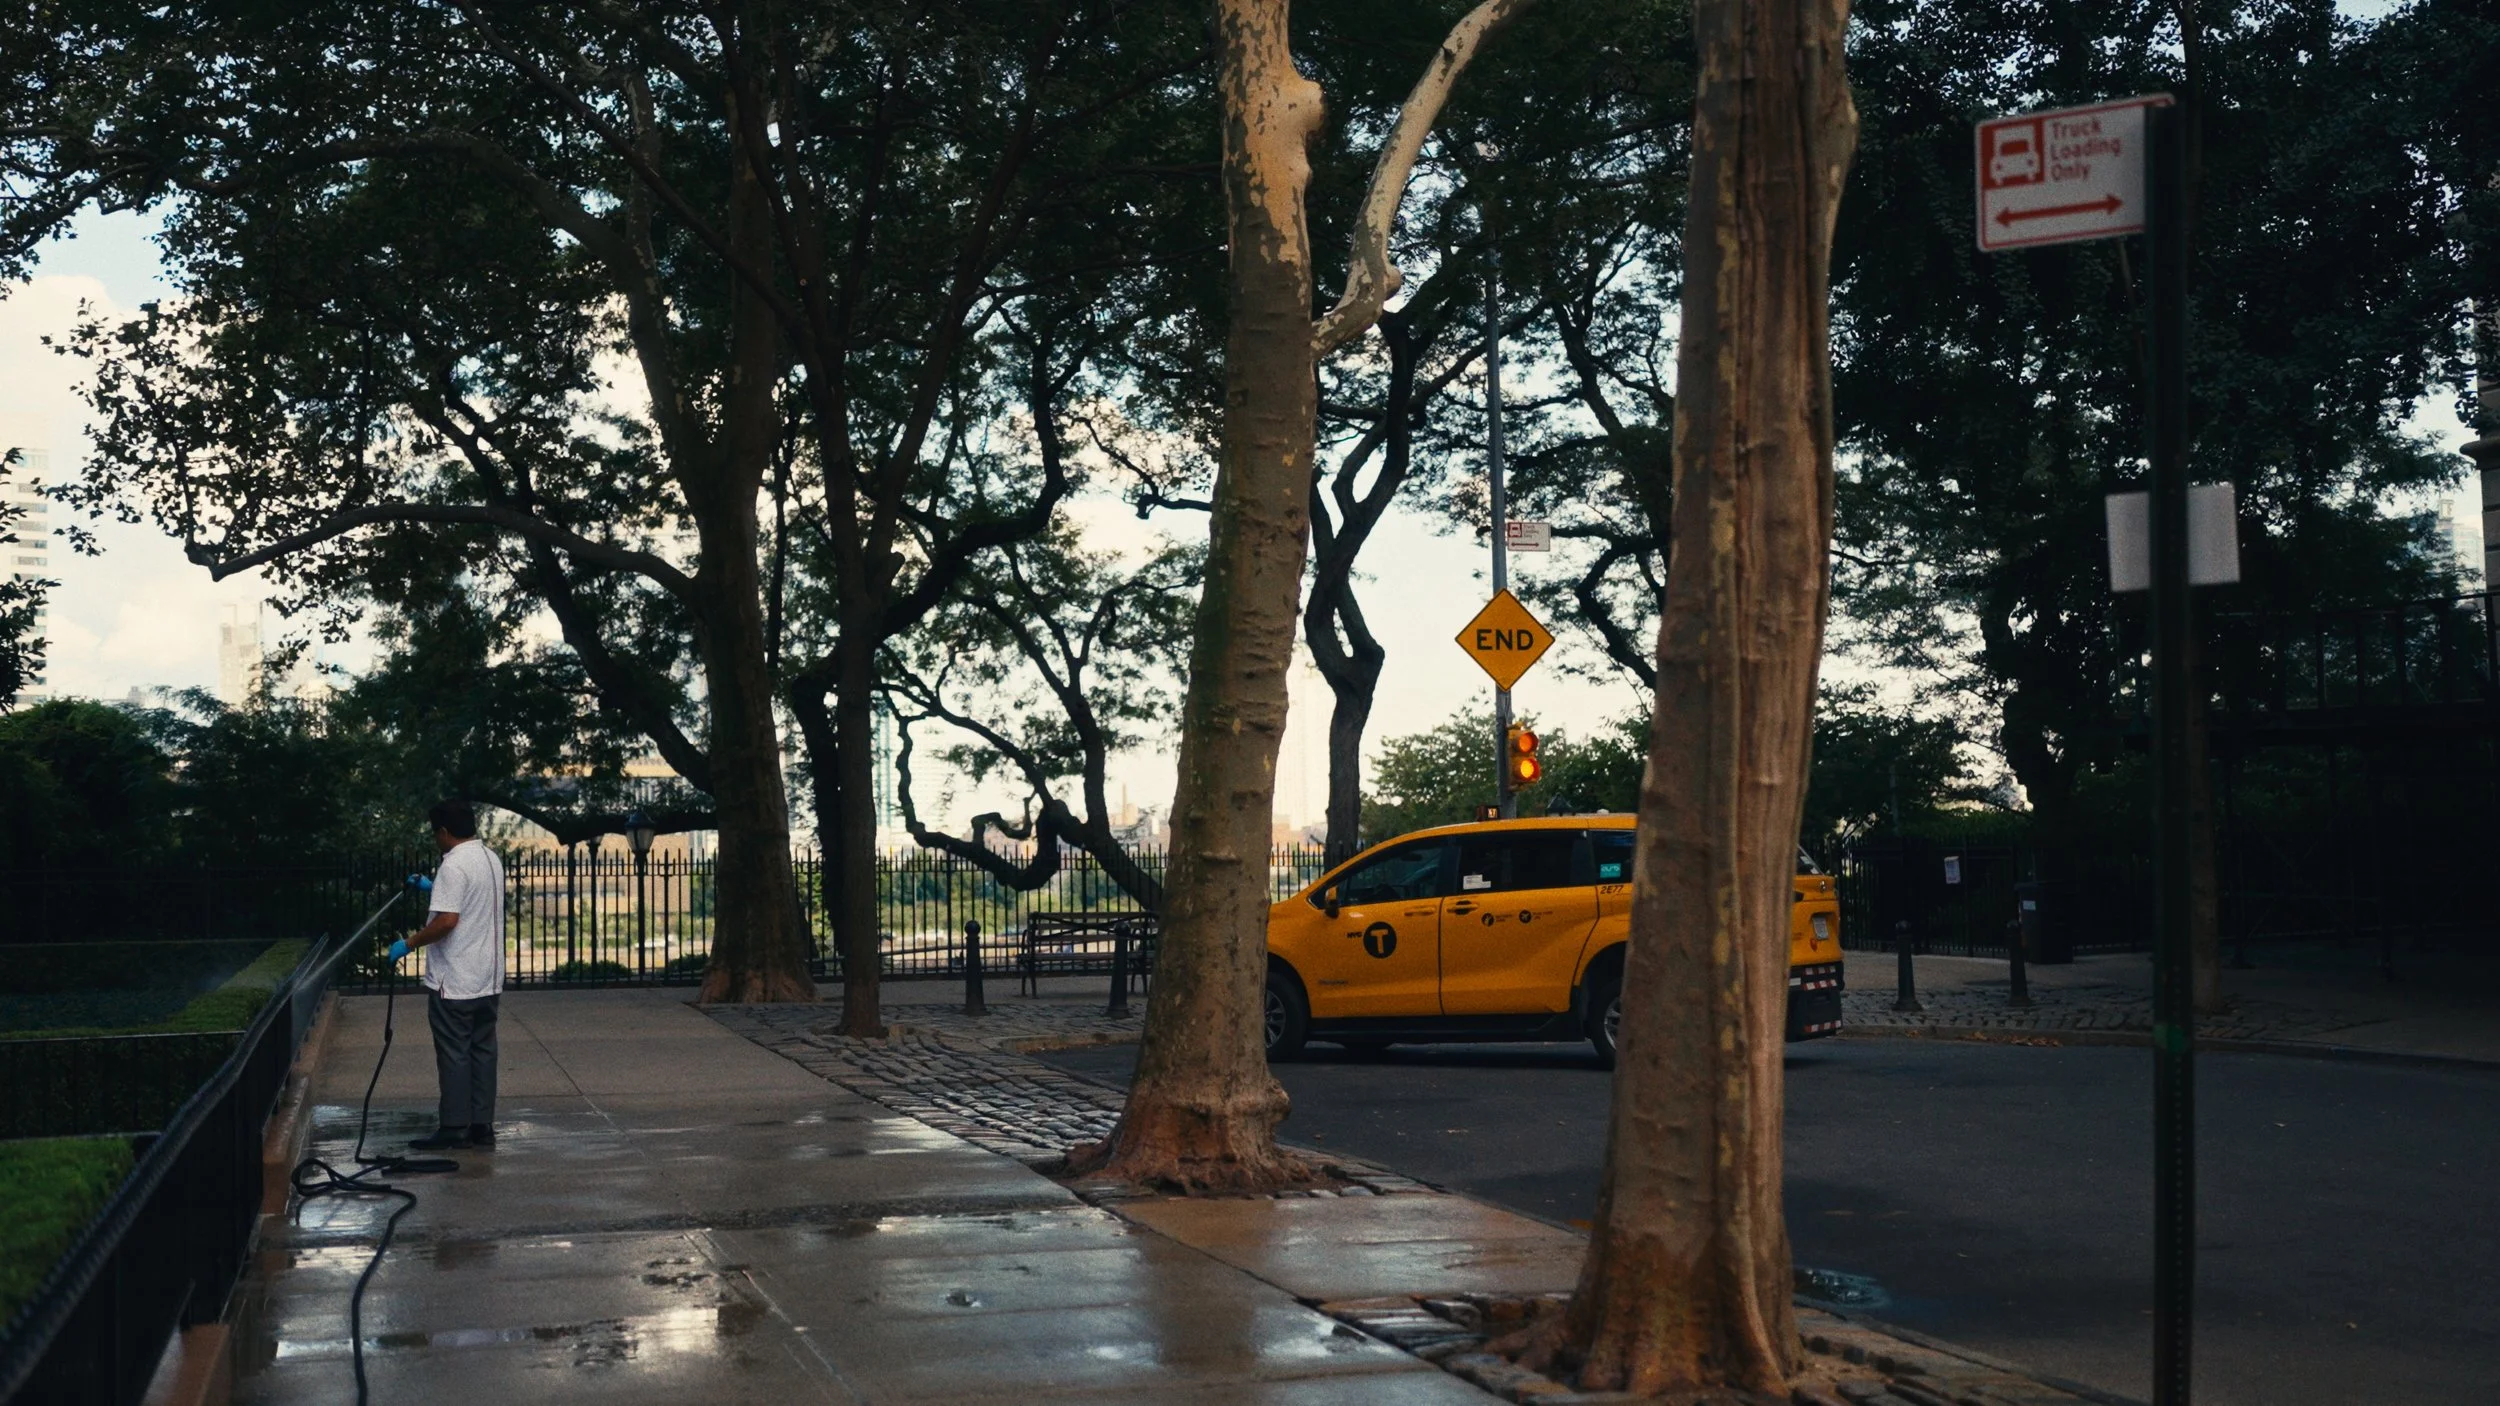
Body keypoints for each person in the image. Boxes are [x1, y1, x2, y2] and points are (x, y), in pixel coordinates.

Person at [387, 801, 507, 1152]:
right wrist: (432, 886)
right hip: (488, 976)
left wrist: (408, 944)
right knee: (483, 1050)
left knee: (454, 1052)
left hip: (455, 980)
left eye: (434, 833)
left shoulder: (454, 865)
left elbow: (447, 921)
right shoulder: (490, 858)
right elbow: (473, 899)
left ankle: (454, 1127)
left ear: (443, 831)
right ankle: (481, 1126)